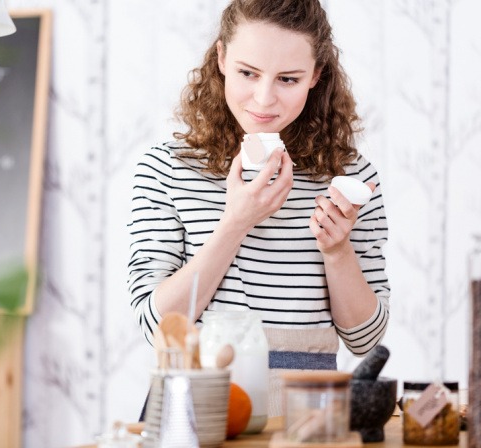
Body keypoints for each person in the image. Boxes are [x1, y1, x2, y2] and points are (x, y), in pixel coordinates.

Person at [127, 0, 389, 416]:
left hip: (308, 419)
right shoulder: (167, 168)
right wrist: (235, 222)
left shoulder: (348, 178)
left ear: (316, 76)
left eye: (288, 78)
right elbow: (157, 328)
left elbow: (365, 339)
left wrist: (338, 251)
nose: (264, 99)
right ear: (221, 58)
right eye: (248, 73)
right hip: (199, 415)